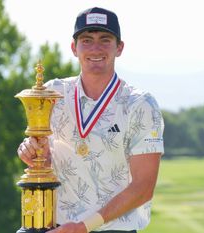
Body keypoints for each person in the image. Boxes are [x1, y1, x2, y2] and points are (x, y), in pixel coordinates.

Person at [17, 7, 164, 233]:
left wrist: (84, 227)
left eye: (105, 40)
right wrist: (30, 151)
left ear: (120, 48)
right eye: (87, 40)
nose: (95, 48)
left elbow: (143, 187)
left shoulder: (140, 104)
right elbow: (42, 156)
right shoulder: (52, 94)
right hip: (51, 226)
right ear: (74, 48)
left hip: (112, 230)